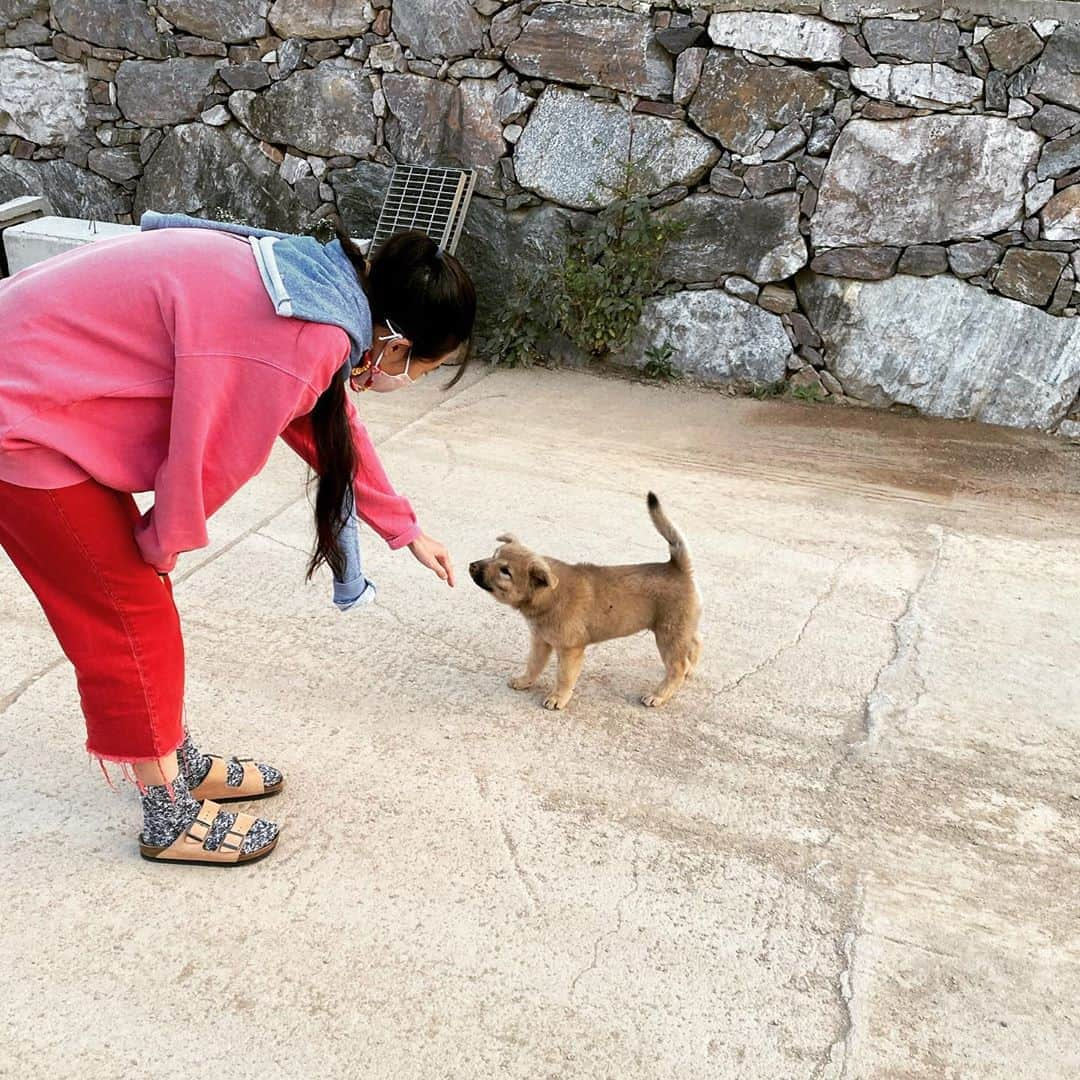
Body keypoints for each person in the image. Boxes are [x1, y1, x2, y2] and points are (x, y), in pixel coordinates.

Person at [0, 216, 476, 866]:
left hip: (34, 382)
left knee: (142, 604)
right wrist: (158, 546)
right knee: (131, 618)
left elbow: (326, 419)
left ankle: (173, 755)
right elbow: (211, 459)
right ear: (395, 343)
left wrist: (403, 525)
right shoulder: (305, 331)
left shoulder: (316, 285)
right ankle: (168, 813)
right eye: (426, 366)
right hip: (20, 416)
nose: (411, 379)